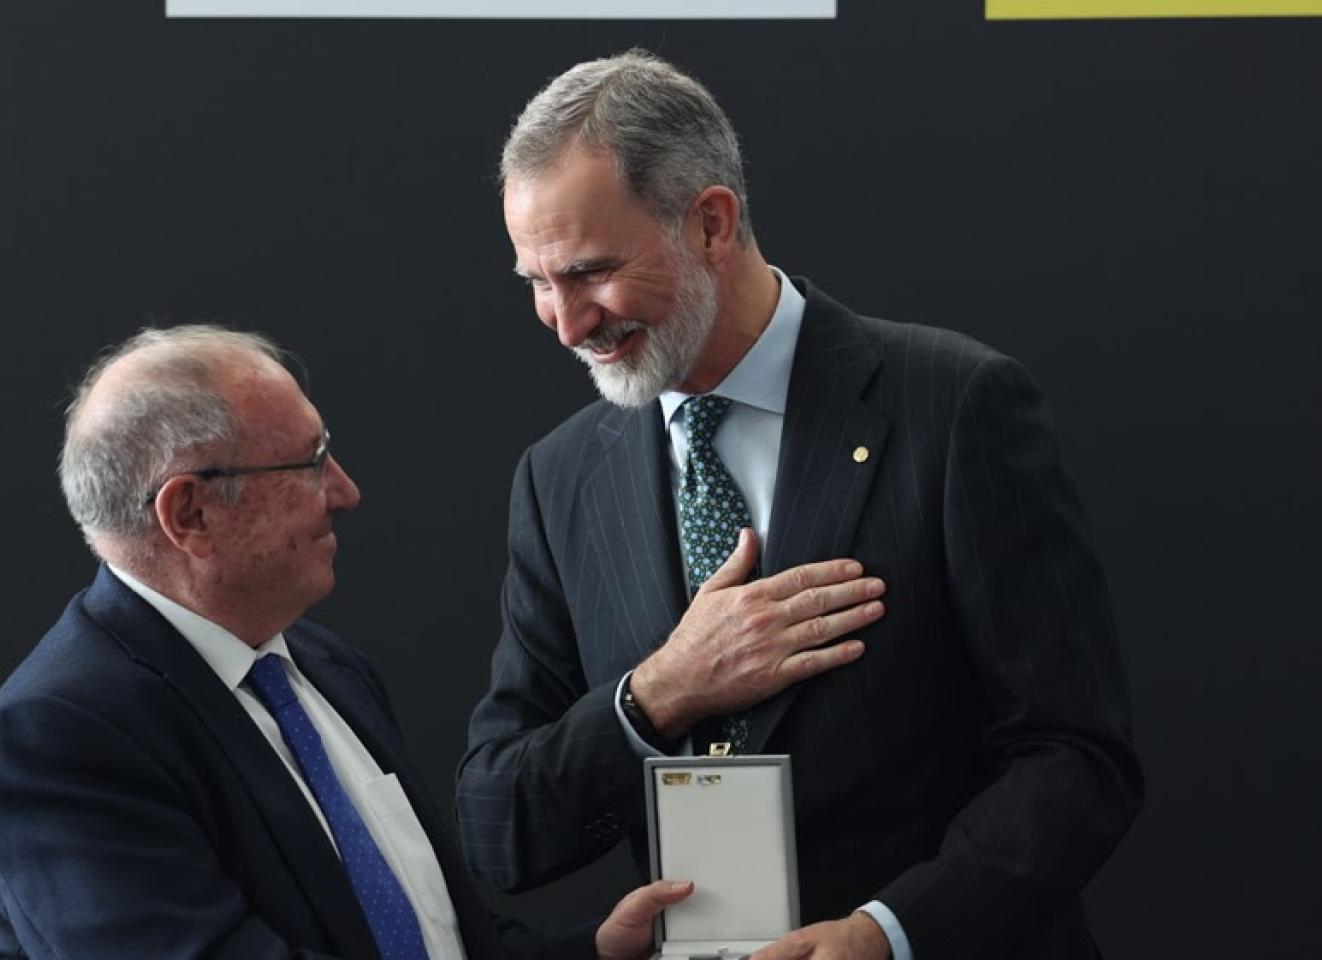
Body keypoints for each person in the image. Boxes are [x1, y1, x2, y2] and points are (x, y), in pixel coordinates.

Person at [455, 51, 1142, 960]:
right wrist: (659, 693)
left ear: (711, 223)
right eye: (537, 284)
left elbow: (1076, 759)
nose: (567, 323)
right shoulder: (559, 478)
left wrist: (887, 936)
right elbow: (501, 828)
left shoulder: (955, 406)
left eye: (589, 273)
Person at [0, 325, 690, 959]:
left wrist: (594, 952)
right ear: (188, 513)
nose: (345, 491)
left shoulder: (322, 668)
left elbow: (433, 938)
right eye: (309, 462)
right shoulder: (61, 734)